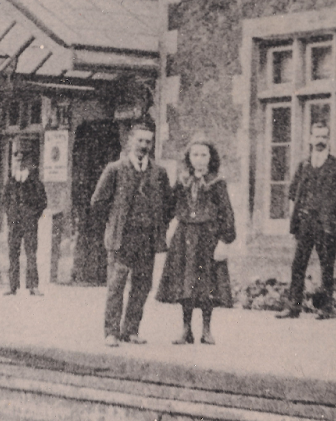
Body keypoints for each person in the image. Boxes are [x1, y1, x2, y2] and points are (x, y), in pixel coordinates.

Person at [90, 121, 172, 347]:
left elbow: (169, 204)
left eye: (148, 141)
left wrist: (157, 225)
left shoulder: (159, 172)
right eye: (140, 141)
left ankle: (131, 330)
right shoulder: (115, 169)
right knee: (116, 284)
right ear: (130, 142)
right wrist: (113, 222)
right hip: (122, 239)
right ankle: (111, 332)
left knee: (142, 285)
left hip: (147, 239)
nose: (144, 145)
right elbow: (97, 202)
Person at [156, 142, 236, 345]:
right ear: (189, 158)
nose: (199, 159)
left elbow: (227, 214)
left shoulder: (217, 183)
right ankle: (186, 329)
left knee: (206, 285)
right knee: (186, 284)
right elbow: (169, 207)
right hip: (184, 238)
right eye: (195, 155)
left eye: (203, 155)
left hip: (207, 238)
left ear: (211, 158)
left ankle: (207, 330)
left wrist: (224, 241)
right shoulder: (183, 181)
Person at [277, 121, 336, 320]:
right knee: (298, 265)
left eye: (323, 137)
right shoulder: (303, 166)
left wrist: (331, 213)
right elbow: (294, 192)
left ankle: (325, 307)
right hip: (305, 223)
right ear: (310, 139)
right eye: (316, 136)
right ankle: (293, 307)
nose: (320, 141)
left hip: (327, 226)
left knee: (326, 267)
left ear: (328, 140)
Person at [4, 157, 49, 296]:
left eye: (23, 161)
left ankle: (33, 286)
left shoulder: (35, 182)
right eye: (17, 160)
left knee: (31, 253)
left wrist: (33, 214)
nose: (20, 163)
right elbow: (4, 200)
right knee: (13, 253)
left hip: (29, 222)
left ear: (28, 164)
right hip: (14, 222)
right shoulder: (11, 181)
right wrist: (11, 214)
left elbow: (43, 202)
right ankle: (13, 286)